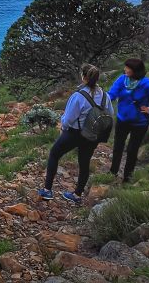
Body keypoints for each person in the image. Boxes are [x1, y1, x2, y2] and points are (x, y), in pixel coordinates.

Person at [38, 64, 114, 205]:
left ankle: (47, 190)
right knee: (84, 162)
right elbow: (110, 114)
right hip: (92, 134)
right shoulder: (105, 95)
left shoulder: (78, 96)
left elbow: (68, 119)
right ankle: (77, 195)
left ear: (83, 77)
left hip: (75, 133)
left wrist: (63, 128)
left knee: (55, 153)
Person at [108, 58, 149, 183]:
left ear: (135, 70)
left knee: (132, 150)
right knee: (117, 147)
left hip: (140, 123)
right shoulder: (122, 80)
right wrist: (97, 99)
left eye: (128, 68)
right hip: (122, 120)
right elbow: (111, 95)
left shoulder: (146, 84)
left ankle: (127, 178)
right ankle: (113, 172)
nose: (125, 69)